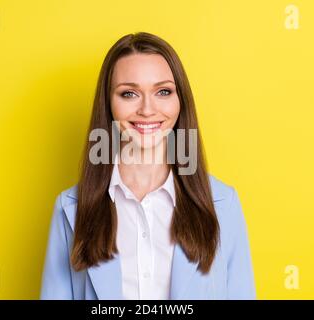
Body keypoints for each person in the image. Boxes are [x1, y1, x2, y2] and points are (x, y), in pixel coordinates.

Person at [40, 32, 255, 300]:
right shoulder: (70, 209)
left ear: (180, 101)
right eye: (129, 93)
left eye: (163, 91)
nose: (147, 109)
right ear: (108, 104)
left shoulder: (223, 204)